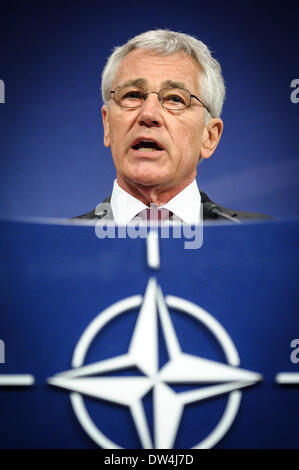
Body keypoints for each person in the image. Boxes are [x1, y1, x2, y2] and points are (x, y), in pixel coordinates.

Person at [73, 29, 270, 224]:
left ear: (209, 137)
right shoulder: (58, 246)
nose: (148, 114)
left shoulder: (265, 239)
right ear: (107, 125)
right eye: (133, 95)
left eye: (175, 99)